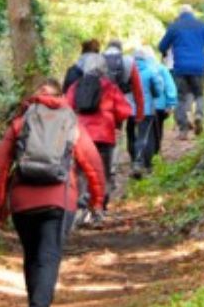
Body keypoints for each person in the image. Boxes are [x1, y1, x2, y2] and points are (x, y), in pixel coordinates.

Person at [0, 78, 106, 307]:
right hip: (59, 199)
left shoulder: (21, 122)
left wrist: (0, 206)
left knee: (32, 256)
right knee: (48, 257)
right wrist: (97, 201)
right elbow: (92, 163)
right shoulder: (71, 122)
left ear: (35, 96)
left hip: (23, 201)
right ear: (62, 95)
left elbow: (0, 165)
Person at [63, 53, 132, 221]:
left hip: (80, 136)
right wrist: (114, 120)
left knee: (80, 171)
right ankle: (99, 208)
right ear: (104, 68)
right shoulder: (110, 87)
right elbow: (125, 111)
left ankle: (81, 206)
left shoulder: (76, 86)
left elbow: (65, 107)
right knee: (103, 173)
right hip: (104, 137)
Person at [158, 4, 204, 139]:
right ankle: (199, 115)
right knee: (199, 94)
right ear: (192, 13)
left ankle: (183, 129)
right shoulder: (202, 25)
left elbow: (161, 46)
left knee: (180, 98)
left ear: (180, 14)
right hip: (198, 68)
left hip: (180, 68)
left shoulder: (175, 26)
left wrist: (164, 53)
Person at [102, 39, 146, 169]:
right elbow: (137, 89)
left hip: (104, 103)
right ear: (121, 49)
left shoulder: (98, 60)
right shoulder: (128, 62)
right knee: (124, 132)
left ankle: (106, 163)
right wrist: (139, 112)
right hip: (124, 103)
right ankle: (123, 164)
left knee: (107, 132)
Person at [129, 46, 165, 178]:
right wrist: (153, 95)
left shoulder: (128, 70)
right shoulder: (151, 70)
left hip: (128, 110)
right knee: (145, 137)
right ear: (145, 58)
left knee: (131, 135)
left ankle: (134, 160)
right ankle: (144, 164)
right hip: (145, 109)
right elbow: (158, 90)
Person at [151, 55, 178, 157]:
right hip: (159, 106)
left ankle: (144, 156)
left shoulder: (135, 68)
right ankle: (155, 153)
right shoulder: (161, 68)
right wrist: (171, 104)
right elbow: (169, 86)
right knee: (158, 130)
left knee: (144, 131)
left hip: (142, 107)